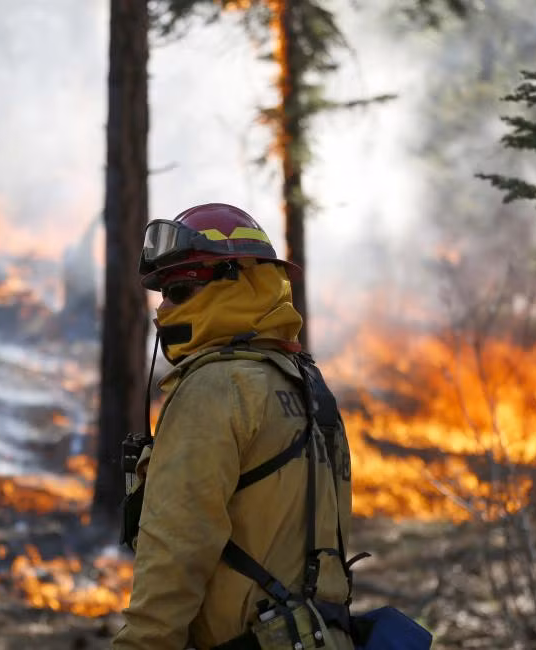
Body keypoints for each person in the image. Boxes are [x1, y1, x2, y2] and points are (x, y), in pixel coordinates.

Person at [113, 203, 357, 650]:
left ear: (238, 282)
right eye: (163, 293)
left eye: (180, 290)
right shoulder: (309, 387)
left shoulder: (214, 389)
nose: (163, 309)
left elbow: (174, 554)